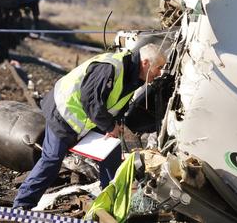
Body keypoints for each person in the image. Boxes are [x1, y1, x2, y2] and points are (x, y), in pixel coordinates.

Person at [13, 43, 167, 210]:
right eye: (158, 68)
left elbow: (114, 103)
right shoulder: (112, 68)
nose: (159, 73)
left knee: (111, 155)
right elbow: (90, 100)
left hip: (88, 117)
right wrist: (109, 127)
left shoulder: (134, 76)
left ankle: (111, 204)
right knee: (52, 160)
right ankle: (22, 205)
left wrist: (114, 125)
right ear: (145, 63)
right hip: (64, 112)